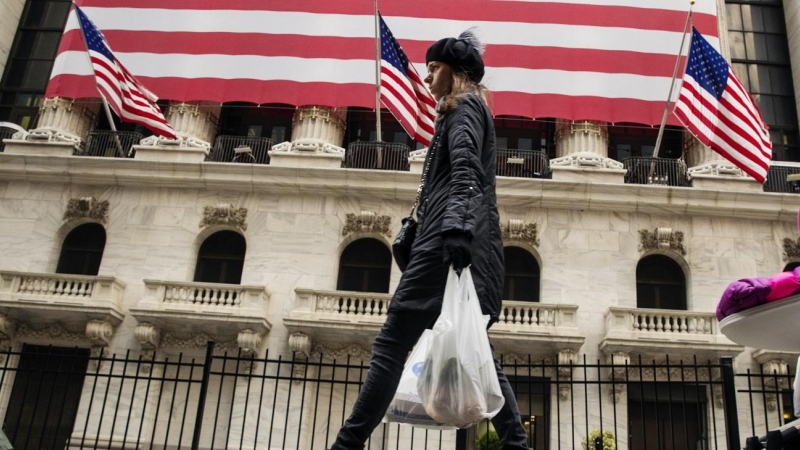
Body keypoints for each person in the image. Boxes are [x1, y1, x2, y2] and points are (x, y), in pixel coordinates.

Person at [329, 30, 530, 450]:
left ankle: (346, 445)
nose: (426, 76)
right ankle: (517, 445)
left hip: (447, 241)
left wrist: (454, 227)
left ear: (455, 71)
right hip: (450, 239)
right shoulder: (462, 111)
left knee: (391, 343)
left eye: (434, 67)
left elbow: (465, 168)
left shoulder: (466, 109)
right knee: (480, 353)